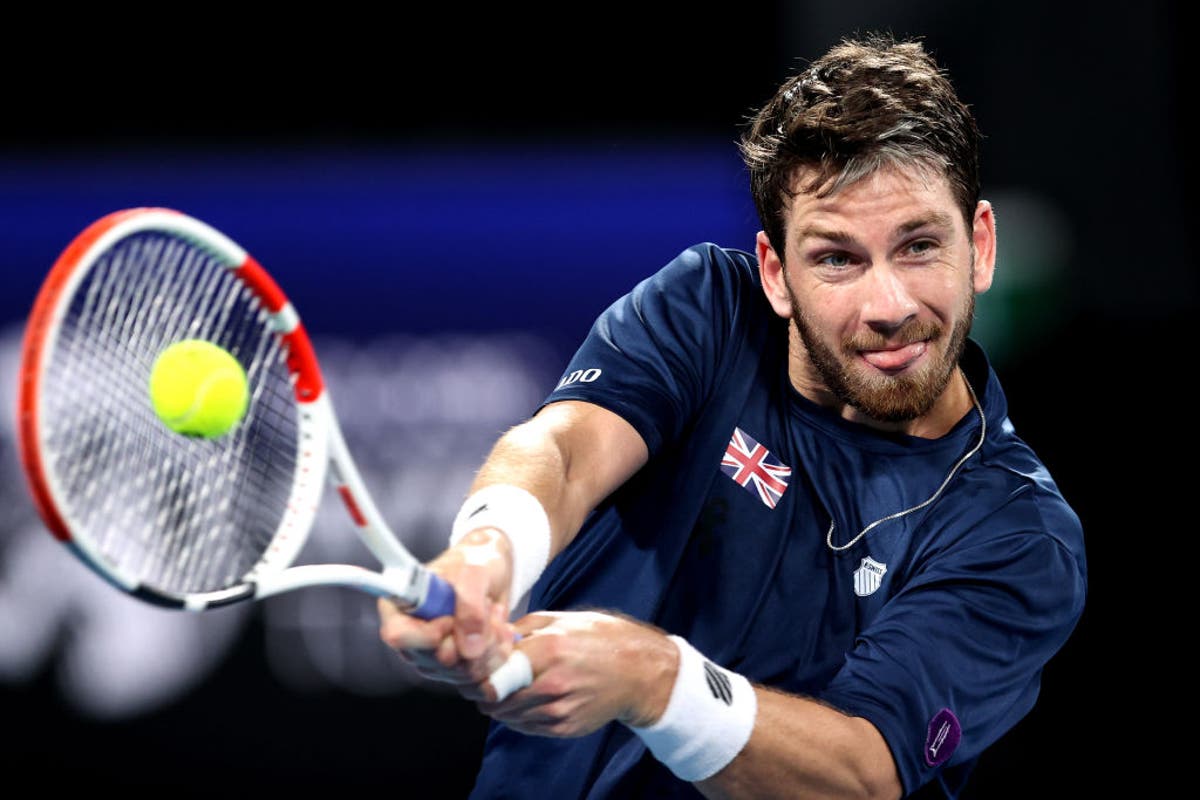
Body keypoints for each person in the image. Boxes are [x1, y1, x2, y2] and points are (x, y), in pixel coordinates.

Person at [377, 31, 1087, 800]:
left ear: (980, 245)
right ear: (776, 273)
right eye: (837, 258)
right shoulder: (711, 311)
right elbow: (568, 448)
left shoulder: (1018, 534)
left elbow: (864, 770)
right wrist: (490, 550)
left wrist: (656, 680)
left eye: (919, 246)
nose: (889, 306)